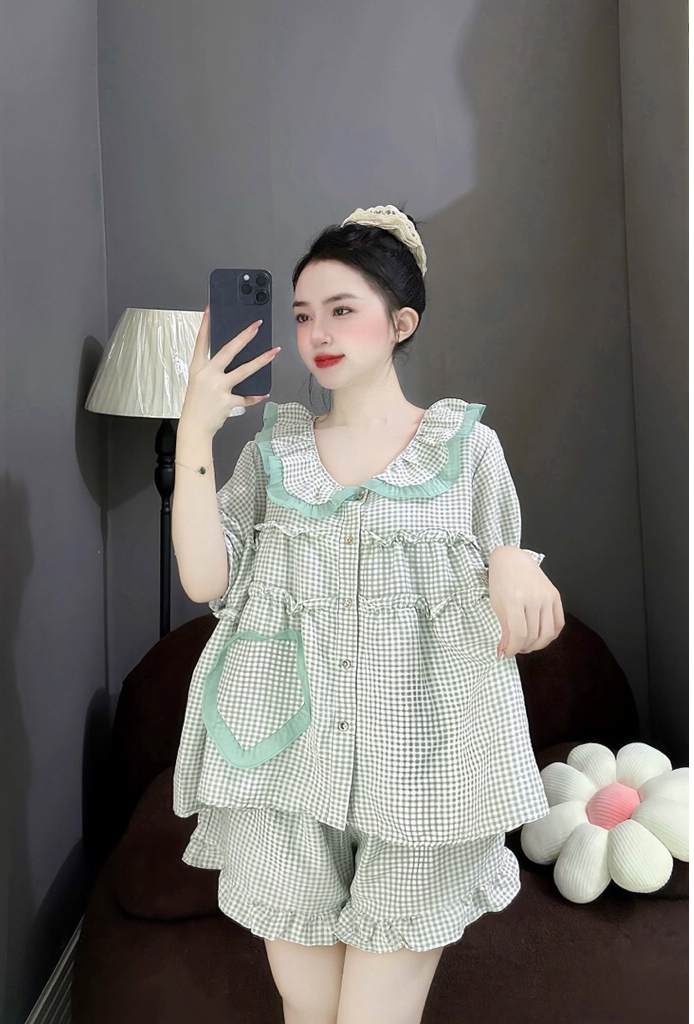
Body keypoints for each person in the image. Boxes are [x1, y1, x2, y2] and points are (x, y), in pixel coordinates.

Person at [170, 204, 565, 1024]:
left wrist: (510, 559)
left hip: (427, 772)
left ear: (401, 323)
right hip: (279, 765)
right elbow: (206, 579)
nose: (317, 332)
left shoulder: (466, 450)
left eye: (342, 309)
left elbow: (512, 573)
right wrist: (196, 431)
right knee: (307, 1012)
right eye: (303, 314)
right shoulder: (272, 454)